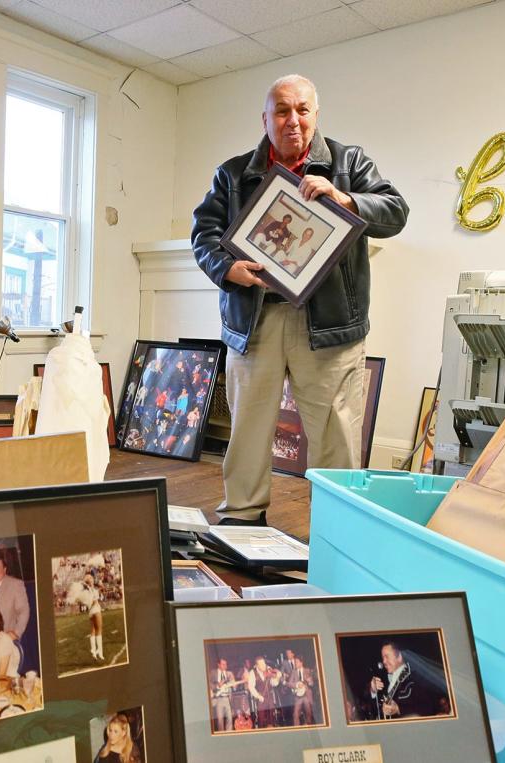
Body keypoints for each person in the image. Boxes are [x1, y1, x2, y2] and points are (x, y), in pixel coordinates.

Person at [192, 74, 409, 526]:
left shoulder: (350, 163)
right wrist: (225, 268)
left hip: (327, 326)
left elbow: (395, 212)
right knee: (247, 431)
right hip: (255, 322)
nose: (294, 121)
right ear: (265, 118)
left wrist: (345, 198)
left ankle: (340, 526)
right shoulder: (231, 174)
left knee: (336, 434)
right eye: (283, 111)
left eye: (303, 110)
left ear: (315, 115)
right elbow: (204, 235)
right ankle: (242, 520)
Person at [365, 641, 438, 719]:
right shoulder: (385, 682)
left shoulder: (415, 678)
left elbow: (429, 709)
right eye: (383, 658)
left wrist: (399, 709)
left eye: (387, 656)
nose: (384, 661)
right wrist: (373, 691)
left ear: (399, 656)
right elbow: (376, 712)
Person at [66, 573, 105, 661]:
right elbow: (95, 601)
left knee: (93, 630)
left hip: (90, 612)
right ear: (90, 581)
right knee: (99, 630)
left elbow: (83, 586)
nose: (92, 578)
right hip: (96, 609)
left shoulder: (86, 591)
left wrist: (85, 582)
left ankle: (94, 651)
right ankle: (100, 653)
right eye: (91, 578)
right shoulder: (92, 590)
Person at [246, 656, 281, 728]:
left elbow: (274, 683)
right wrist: (258, 696)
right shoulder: (252, 673)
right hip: (261, 699)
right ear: (257, 665)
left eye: (264, 663)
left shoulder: (269, 670)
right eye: (261, 664)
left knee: (272, 718)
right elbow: (251, 687)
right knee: (261, 719)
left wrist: (277, 678)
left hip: (270, 698)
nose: (264, 666)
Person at [208, 657, 239, 732]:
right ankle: (221, 735)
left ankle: (229, 734)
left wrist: (234, 685)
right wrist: (217, 686)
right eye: (223, 664)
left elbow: (234, 685)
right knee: (220, 720)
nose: (225, 666)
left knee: (229, 718)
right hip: (218, 699)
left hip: (227, 698)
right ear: (218, 665)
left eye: (226, 664)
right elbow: (208, 683)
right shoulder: (213, 672)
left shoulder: (229, 673)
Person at [291, 654, 318, 726]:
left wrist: (309, 681)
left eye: (296, 662)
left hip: (307, 695)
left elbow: (312, 684)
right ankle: (297, 730)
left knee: (309, 712)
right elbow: (289, 683)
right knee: (295, 714)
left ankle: (309, 727)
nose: (295, 664)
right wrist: (296, 685)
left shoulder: (308, 671)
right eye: (294, 662)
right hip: (298, 697)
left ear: (301, 662)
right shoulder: (293, 672)